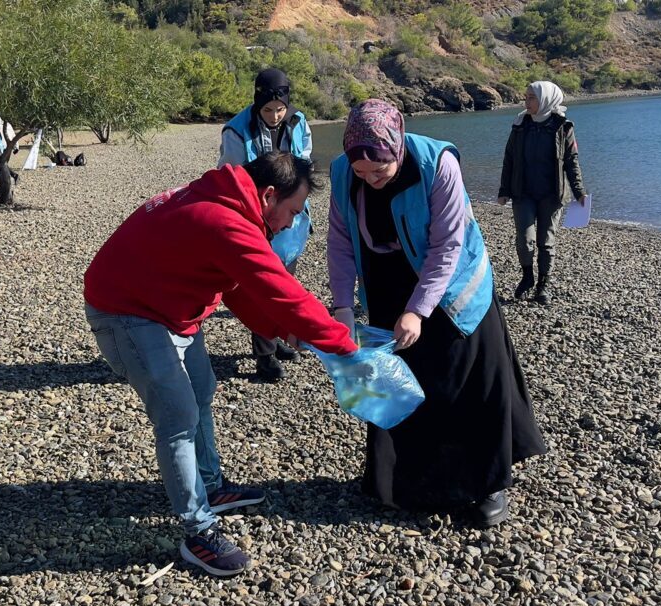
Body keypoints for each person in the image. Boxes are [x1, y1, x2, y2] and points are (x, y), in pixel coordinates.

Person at [84, 152, 357, 577]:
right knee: (178, 414)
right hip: (127, 311)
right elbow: (281, 289)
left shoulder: (230, 202)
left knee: (202, 390)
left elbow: (237, 286)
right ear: (268, 195)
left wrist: (277, 328)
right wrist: (346, 347)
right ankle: (198, 532)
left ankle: (210, 487)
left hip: (171, 305)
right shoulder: (225, 219)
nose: (290, 224)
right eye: (293, 212)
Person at [326, 99, 547, 525]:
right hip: (386, 281)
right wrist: (341, 305)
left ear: (398, 147)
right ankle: (413, 481)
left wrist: (418, 310)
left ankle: (489, 486)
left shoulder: (437, 164)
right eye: (361, 174)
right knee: (402, 385)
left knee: (466, 382)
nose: (370, 181)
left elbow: (447, 246)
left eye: (380, 172)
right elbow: (339, 241)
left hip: (452, 286)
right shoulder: (342, 173)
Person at [218, 68, 314, 383]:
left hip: (292, 219)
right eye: (268, 110)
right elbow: (231, 175)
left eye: (280, 110)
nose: (274, 116)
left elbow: (306, 162)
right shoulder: (236, 131)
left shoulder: (300, 123)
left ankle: (278, 340)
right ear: (257, 104)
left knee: (287, 283)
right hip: (257, 218)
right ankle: (264, 357)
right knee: (263, 288)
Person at [497, 81, 587, 306]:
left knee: (545, 242)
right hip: (523, 193)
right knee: (524, 240)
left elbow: (571, 162)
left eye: (531, 98)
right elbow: (509, 159)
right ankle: (527, 277)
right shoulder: (520, 125)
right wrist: (503, 190)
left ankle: (543, 286)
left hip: (552, 195)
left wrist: (579, 192)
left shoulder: (563, 127)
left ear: (546, 99)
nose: (526, 102)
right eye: (526, 97)